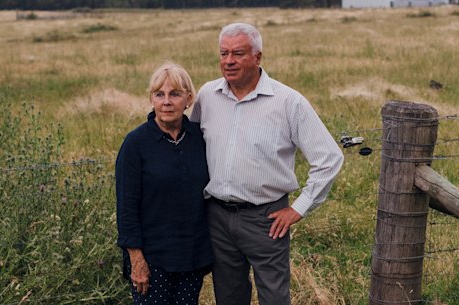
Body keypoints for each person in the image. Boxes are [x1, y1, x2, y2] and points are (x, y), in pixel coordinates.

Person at [190, 23, 344, 305]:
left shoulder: (288, 102)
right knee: (228, 296)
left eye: (238, 53)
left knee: (274, 297)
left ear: (258, 57)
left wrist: (298, 208)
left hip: (267, 219)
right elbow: (191, 148)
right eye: (224, 53)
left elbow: (329, 158)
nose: (229, 61)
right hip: (216, 217)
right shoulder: (207, 96)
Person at [116, 62, 214, 305]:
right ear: (151, 99)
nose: (167, 101)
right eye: (159, 94)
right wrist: (136, 260)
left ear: (188, 99)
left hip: (191, 257)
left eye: (175, 94)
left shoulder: (199, 139)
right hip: (152, 260)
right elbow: (126, 207)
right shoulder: (136, 144)